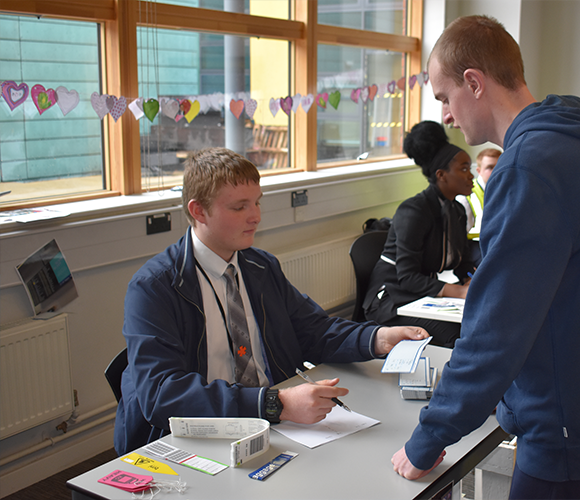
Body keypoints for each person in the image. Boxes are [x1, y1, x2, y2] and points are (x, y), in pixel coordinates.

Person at [391, 15, 580, 499]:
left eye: (444, 98)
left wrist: (428, 438)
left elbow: (495, 327)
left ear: (474, 82)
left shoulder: (529, 165)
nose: (445, 117)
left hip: (567, 422)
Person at [114, 147, 428, 455]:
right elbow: (160, 395)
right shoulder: (154, 287)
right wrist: (274, 402)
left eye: (257, 203)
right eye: (239, 207)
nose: (256, 216)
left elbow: (312, 330)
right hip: (200, 437)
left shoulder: (260, 267)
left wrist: (377, 337)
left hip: (277, 429)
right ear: (198, 211)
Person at [363, 120, 475, 348]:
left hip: (421, 299)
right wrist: (460, 292)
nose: (471, 176)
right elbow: (407, 276)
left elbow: (461, 261)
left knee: (478, 324)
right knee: (457, 337)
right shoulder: (413, 211)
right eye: (463, 169)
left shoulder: (457, 209)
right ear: (441, 175)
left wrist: (471, 282)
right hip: (391, 300)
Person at [457, 147, 502, 265]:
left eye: (499, 166)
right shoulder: (467, 195)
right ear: (479, 170)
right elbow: (459, 236)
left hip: (499, 241)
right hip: (474, 244)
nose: (496, 171)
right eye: (490, 167)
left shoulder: (508, 189)